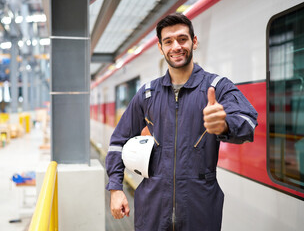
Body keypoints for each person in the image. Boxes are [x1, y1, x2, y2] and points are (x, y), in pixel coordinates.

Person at [105, 13, 258, 231]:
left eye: (182, 39)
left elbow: (248, 121)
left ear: (194, 42)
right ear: (161, 48)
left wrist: (224, 124)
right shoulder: (147, 94)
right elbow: (118, 141)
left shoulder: (217, 86)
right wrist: (115, 188)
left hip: (200, 209)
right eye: (168, 41)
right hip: (152, 209)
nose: (176, 46)